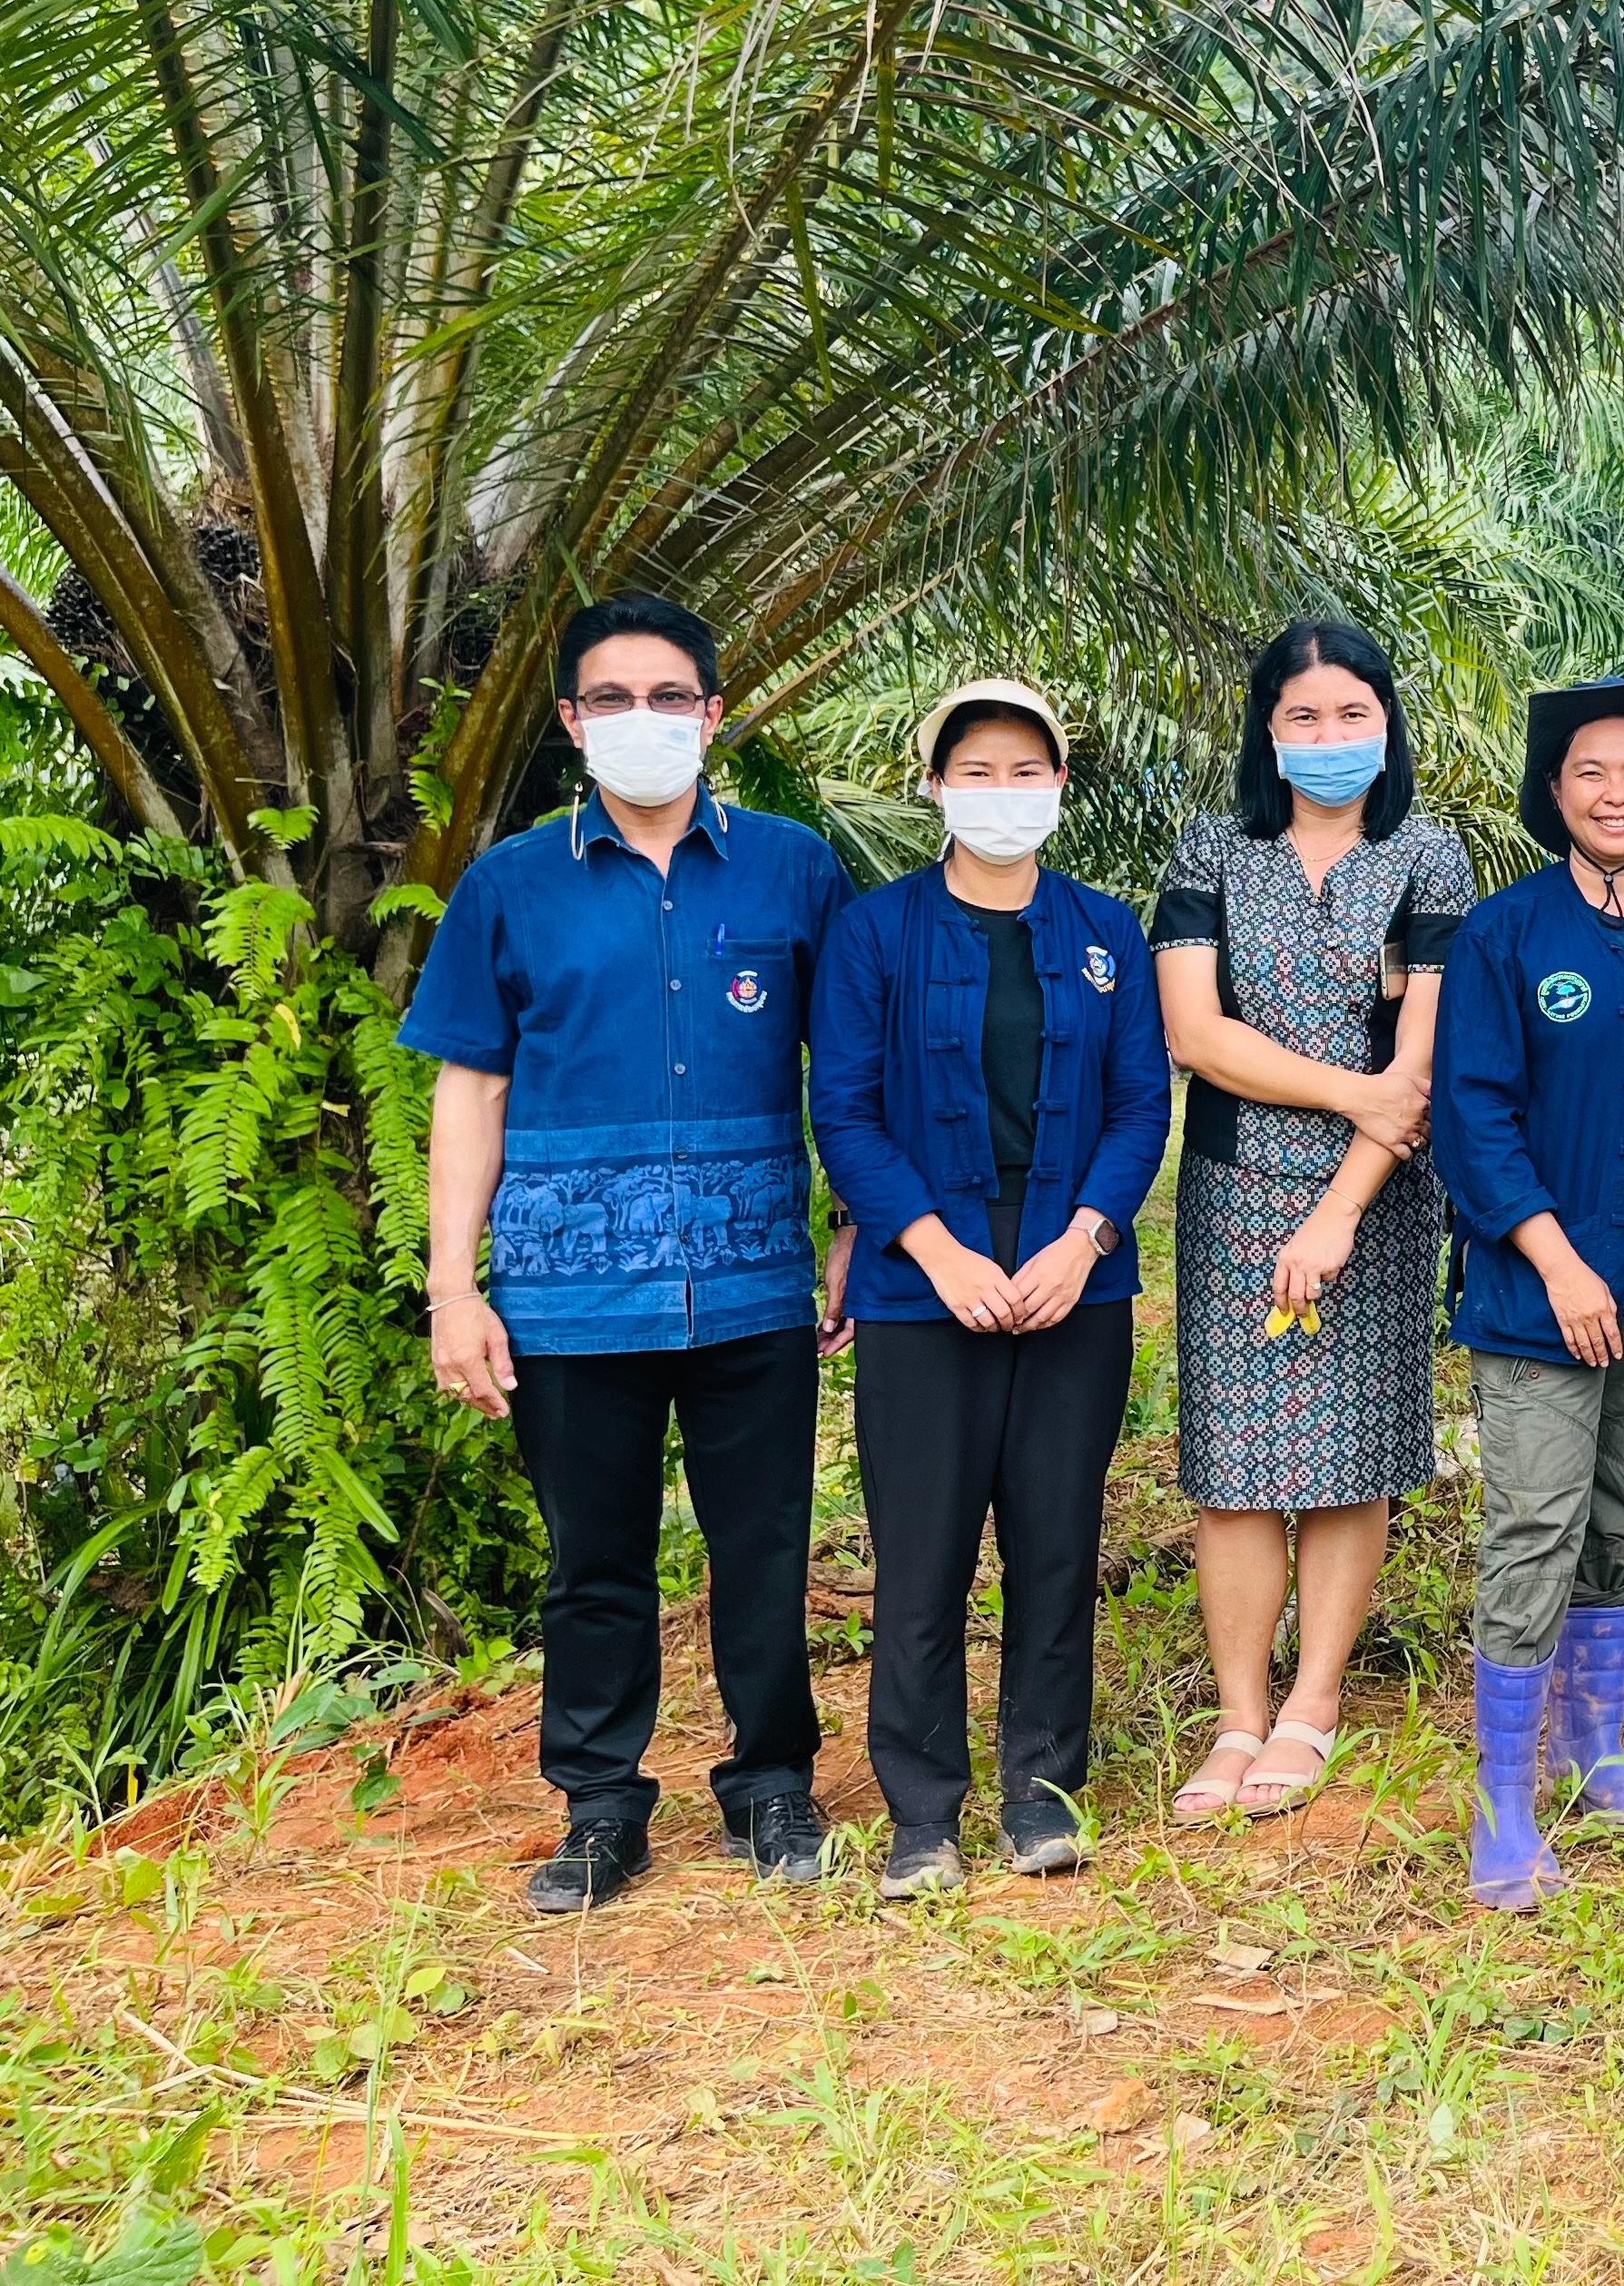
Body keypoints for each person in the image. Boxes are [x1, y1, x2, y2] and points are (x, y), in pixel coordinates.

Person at [406, 593, 856, 1913]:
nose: (642, 720)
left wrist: (853, 1230)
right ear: (571, 721)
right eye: (613, 699)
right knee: (593, 1563)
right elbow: (470, 1092)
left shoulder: (792, 869)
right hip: (567, 1298)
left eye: (669, 697)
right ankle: (601, 1806)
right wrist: (452, 1289)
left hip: (752, 1286)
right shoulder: (509, 886)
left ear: (713, 715)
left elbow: (851, 1069)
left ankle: (772, 1784)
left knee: (762, 1548)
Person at [809, 681, 1170, 1899]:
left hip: (1076, 1280)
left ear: (1059, 786)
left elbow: (1140, 1106)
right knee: (923, 1555)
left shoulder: (1106, 931)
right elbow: (845, 1111)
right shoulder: (876, 933)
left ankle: (1042, 1794)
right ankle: (923, 1814)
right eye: (977, 772)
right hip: (925, 1287)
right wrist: (935, 1250)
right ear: (935, 787)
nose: (1002, 794)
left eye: (1027, 772)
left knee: (1056, 1544)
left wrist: (1083, 1242)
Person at [1432, 682, 1624, 1909]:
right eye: (1590, 772)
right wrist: (1558, 1260)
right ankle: (1503, 1803)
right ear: (1553, 792)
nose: (1618, 793)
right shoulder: (1505, 935)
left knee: (1621, 1513)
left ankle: (1591, 1748)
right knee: (1535, 1524)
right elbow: (1472, 1113)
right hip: (1540, 1291)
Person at [1151, 623, 1473, 1819]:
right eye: (1304, 716)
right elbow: (1195, 1033)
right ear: (1267, 730)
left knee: (1350, 1454)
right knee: (1233, 1464)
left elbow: (1420, 1058)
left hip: (1377, 1194)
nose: (1330, 736)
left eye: (1353, 714)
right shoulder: (1212, 848)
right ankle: (1239, 1715)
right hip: (1235, 1187)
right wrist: (1355, 1092)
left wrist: (1341, 1206)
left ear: (1387, 726)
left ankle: (1312, 1706)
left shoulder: (1428, 856)